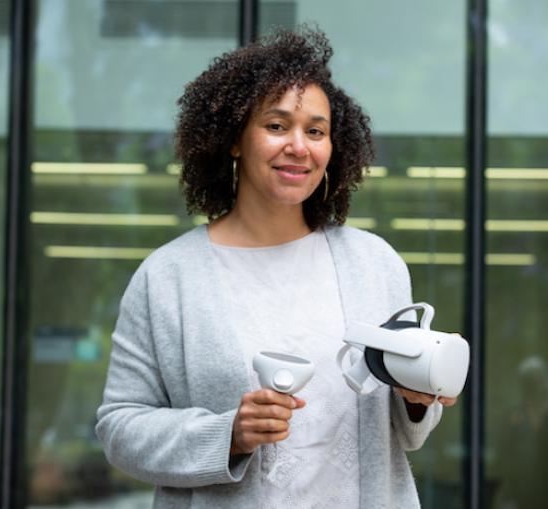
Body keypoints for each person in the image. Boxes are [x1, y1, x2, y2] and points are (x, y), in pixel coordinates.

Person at [96, 26, 457, 509]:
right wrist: (229, 434)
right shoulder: (169, 277)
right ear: (234, 141)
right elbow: (120, 426)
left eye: (315, 131)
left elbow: (407, 432)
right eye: (276, 126)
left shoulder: (375, 265)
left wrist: (418, 399)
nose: (299, 146)